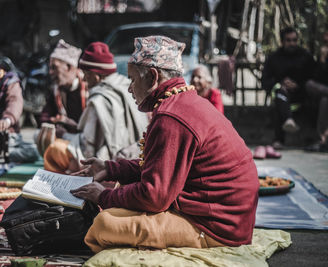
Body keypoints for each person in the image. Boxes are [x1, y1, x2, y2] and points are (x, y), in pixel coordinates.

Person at [71, 36, 259, 253]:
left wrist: (103, 196)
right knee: (118, 196)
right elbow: (159, 168)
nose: (130, 89)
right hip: (223, 216)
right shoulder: (181, 102)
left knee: (104, 225)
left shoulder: (171, 116)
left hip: (216, 227)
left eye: (132, 80)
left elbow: (154, 197)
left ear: (152, 76)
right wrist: (110, 168)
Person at [43, 41, 148, 173]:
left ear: (97, 76)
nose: (85, 80)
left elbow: (88, 147)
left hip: (110, 160)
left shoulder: (99, 100)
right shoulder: (125, 85)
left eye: (87, 75)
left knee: (55, 149)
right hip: (136, 154)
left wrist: (65, 135)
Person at [262, 27, 315, 149]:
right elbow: (265, 81)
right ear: (282, 41)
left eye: (294, 40)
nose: (292, 43)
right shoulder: (274, 58)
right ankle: (286, 125)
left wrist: (298, 85)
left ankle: (281, 136)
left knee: (281, 101)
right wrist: (281, 83)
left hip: (303, 96)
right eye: (288, 40)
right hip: (282, 96)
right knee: (280, 96)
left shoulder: (306, 56)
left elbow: (314, 77)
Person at [36, 39, 87, 155]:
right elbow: (44, 117)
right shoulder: (57, 90)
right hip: (66, 137)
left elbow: (91, 129)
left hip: (84, 138)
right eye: (50, 68)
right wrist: (54, 122)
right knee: (38, 135)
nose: (50, 72)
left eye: (54, 67)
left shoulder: (88, 87)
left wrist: (70, 124)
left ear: (69, 67)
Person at [305, 32, 328, 152]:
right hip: (325, 92)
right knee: (324, 100)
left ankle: (322, 140)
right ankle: (323, 141)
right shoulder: (324, 55)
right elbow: (318, 78)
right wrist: (323, 60)